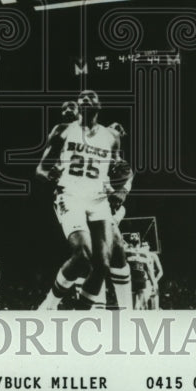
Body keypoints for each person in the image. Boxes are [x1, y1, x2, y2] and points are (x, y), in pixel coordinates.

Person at [36, 90, 132, 311]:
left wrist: (122, 190)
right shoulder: (62, 132)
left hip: (100, 198)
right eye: (78, 100)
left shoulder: (109, 135)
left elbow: (124, 170)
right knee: (84, 256)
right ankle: (49, 307)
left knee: (109, 256)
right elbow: (40, 169)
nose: (83, 101)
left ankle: (118, 311)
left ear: (99, 106)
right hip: (70, 196)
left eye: (91, 97)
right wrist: (50, 176)